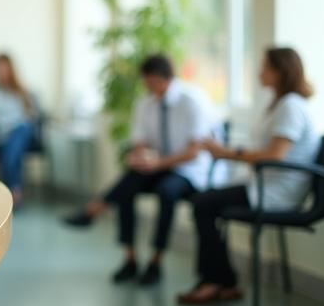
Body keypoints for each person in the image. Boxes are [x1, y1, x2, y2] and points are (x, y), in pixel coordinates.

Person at [178, 47, 320, 306]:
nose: (259, 72)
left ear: (281, 72)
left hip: (276, 191)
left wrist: (227, 153)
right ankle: (220, 280)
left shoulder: (290, 107)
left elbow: (275, 155)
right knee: (206, 203)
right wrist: (225, 152)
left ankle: (216, 281)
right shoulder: (279, 104)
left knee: (203, 203)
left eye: (265, 67)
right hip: (265, 184)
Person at [63, 54, 216, 286]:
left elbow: (194, 151)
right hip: (158, 165)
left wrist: (159, 163)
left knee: (167, 192)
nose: (147, 86)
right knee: (129, 187)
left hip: (188, 171)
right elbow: (140, 140)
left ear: (163, 78)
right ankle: (130, 259)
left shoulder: (192, 101)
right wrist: (140, 156)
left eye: (150, 81)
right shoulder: (146, 102)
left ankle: (155, 260)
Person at [0, 53, 41, 205]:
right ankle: (15, 191)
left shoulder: (21, 91)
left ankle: (12, 192)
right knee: (10, 150)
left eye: (4, 67)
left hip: (21, 131)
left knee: (18, 133)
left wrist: (9, 121)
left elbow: (30, 116)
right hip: (0, 135)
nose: (1, 71)